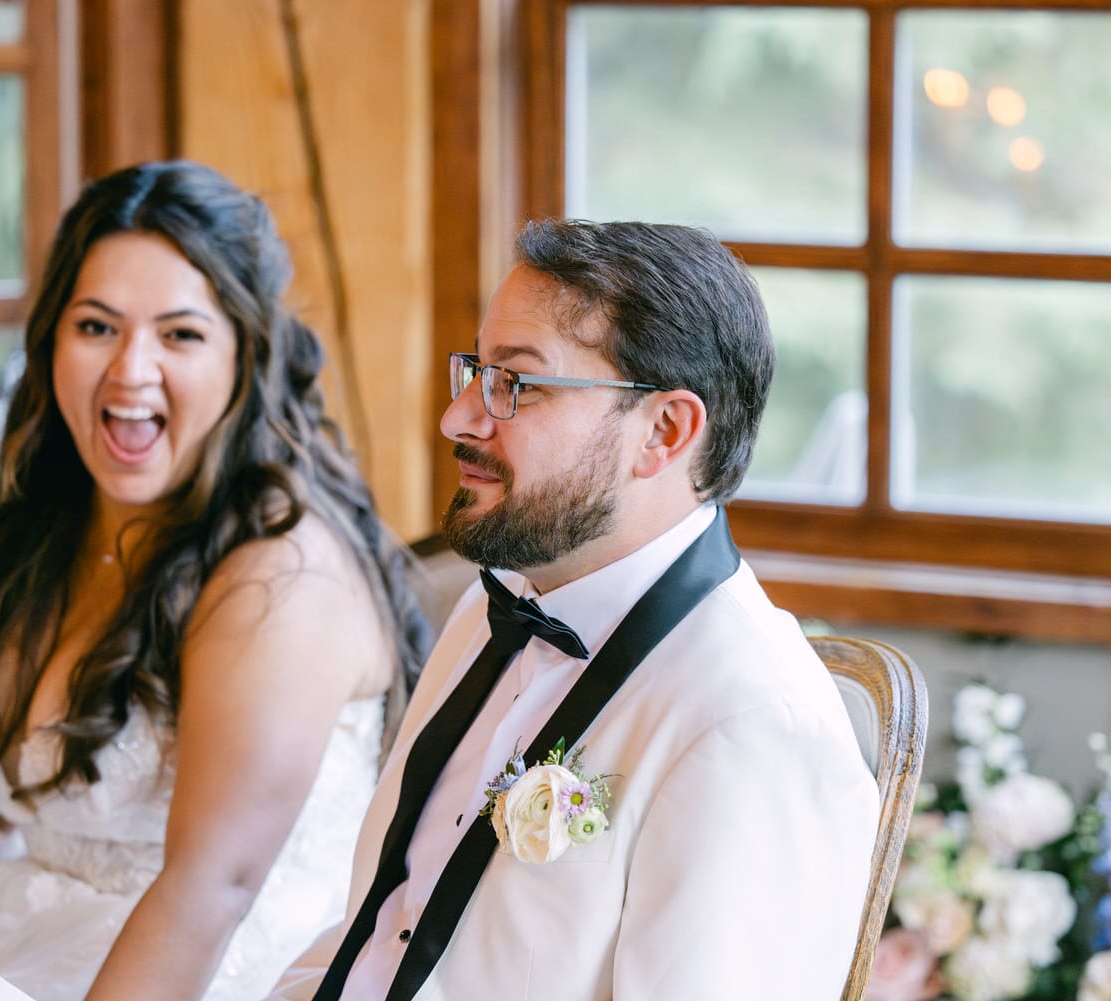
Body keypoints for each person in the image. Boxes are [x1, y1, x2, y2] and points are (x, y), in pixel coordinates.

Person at [266, 219, 881, 1000]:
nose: (460, 417)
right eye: (477, 371)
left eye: (515, 384)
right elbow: (384, 927)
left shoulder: (753, 724)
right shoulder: (491, 605)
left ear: (664, 431)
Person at [0, 160, 432, 1001]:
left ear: (244, 358)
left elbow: (209, 893)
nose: (130, 372)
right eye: (97, 326)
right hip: (11, 950)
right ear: (50, 340)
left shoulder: (278, 575)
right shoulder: (49, 525)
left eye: (180, 334)